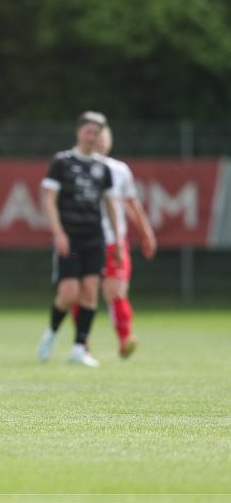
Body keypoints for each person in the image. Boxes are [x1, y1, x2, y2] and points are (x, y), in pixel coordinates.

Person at [38, 112, 122, 367]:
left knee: (89, 293)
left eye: (97, 133)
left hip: (94, 238)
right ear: (79, 132)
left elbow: (110, 203)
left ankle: (79, 348)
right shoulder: (62, 162)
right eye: (88, 132)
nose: (92, 137)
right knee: (68, 293)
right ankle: (51, 334)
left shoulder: (103, 167)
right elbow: (49, 199)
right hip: (70, 237)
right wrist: (59, 232)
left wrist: (117, 239)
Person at [72, 125, 156, 358]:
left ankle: (125, 339)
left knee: (116, 291)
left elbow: (131, 204)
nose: (99, 140)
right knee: (81, 293)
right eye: (94, 135)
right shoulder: (75, 167)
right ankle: (82, 343)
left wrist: (146, 232)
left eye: (103, 136)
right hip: (84, 241)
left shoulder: (120, 170)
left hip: (113, 242)